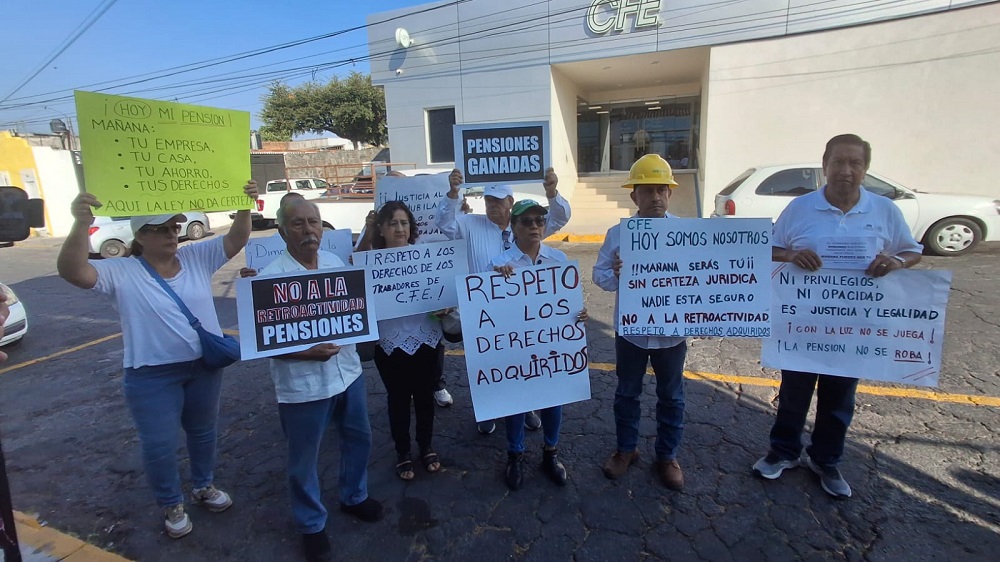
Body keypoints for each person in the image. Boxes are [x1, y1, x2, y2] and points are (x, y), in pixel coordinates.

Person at [56, 182, 259, 538]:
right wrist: (78, 223)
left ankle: (203, 486)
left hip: (203, 367)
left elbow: (237, 239)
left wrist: (244, 205)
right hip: (151, 375)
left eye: (174, 227)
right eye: (162, 229)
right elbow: (74, 271)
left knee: (203, 432)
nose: (171, 234)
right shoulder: (120, 271)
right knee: (160, 443)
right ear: (141, 235)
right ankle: (171, 503)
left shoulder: (196, 257)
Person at [752, 134, 922, 499]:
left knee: (840, 398)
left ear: (865, 169)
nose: (846, 171)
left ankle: (826, 460)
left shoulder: (885, 211)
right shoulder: (800, 207)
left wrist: (894, 262)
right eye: (839, 162)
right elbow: (771, 245)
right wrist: (791, 255)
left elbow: (912, 251)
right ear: (825, 165)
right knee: (794, 392)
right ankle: (783, 453)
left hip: (853, 329)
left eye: (855, 163)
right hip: (802, 323)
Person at [259, 196, 383, 562]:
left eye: (313, 221)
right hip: (304, 386)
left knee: (359, 439)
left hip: (349, 375)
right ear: (282, 231)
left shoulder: (334, 265)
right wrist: (304, 352)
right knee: (303, 459)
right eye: (298, 223)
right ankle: (311, 524)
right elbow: (262, 345)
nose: (308, 229)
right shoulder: (270, 280)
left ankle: (354, 496)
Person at [437, 167, 571, 434]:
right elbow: (444, 222)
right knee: (487, 366)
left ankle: (526, 407)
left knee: (524, 361)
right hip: (484, 314)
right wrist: (453, 193)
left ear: (510, 202)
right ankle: (488, 410)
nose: (493, 206)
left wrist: (552, 191)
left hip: (522, 314)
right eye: (488, 200)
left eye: (498, 201)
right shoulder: (470, 224)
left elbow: (559, 217)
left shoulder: (526, 225)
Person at [593, 154, 688, 490]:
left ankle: (667, 456)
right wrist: (617, 275)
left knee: (672, 397)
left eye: (661, 189)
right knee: (627, 393)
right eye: (647, 191)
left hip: (672, 336)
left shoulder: (686, 233)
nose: (656, 197)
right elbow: (599, 274)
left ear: (670, 193)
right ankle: (626, 450)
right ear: (634, 196)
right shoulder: (618, 234)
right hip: (632, 333)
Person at [490, 199, 587, 490]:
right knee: (517, 399)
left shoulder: (559, 261)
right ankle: (515, 453)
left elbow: (569, 304)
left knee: (552, 397)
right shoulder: (498, 263)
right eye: (526, 221)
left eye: (539, 221)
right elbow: (486, 309)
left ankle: (550, 452)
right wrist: (494, 281)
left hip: (550, 346)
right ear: (514, 227)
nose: (534, 226)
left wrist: (580, 314)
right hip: (516, 346)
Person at [361, 200, 445, 481]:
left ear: (412, 227)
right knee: (397, 399)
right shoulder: (369, 260)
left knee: (424, 397)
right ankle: (402, 452)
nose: (400, 228)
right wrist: (366, 231)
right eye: (393, 223)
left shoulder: (425, 255)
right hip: (389, 341)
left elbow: (443, 288)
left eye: (404, 222)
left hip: (426, 337)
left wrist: (445, 304)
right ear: (381, 229)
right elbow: (352, 275)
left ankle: (427, 445)